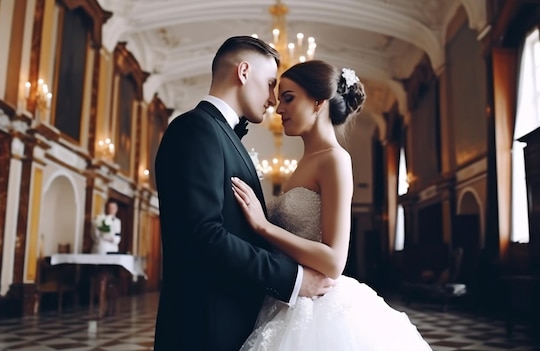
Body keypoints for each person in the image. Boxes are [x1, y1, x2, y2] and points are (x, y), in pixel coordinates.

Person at [232, 60, 432, 350]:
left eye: (288, 98)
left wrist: (262, 225)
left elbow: (334, 261)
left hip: (318, 309)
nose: (278, 109)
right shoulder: (305, 162)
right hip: (285, 297)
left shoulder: (335, 160)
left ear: (318, 102)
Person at [153, 36, 335, 351]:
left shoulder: (221, 134)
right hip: (204, 327)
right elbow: (203, 235)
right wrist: (293, 280)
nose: (273, 100)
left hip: (230, 320)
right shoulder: (195, 129)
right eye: (269, 84)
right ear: (243, 72)